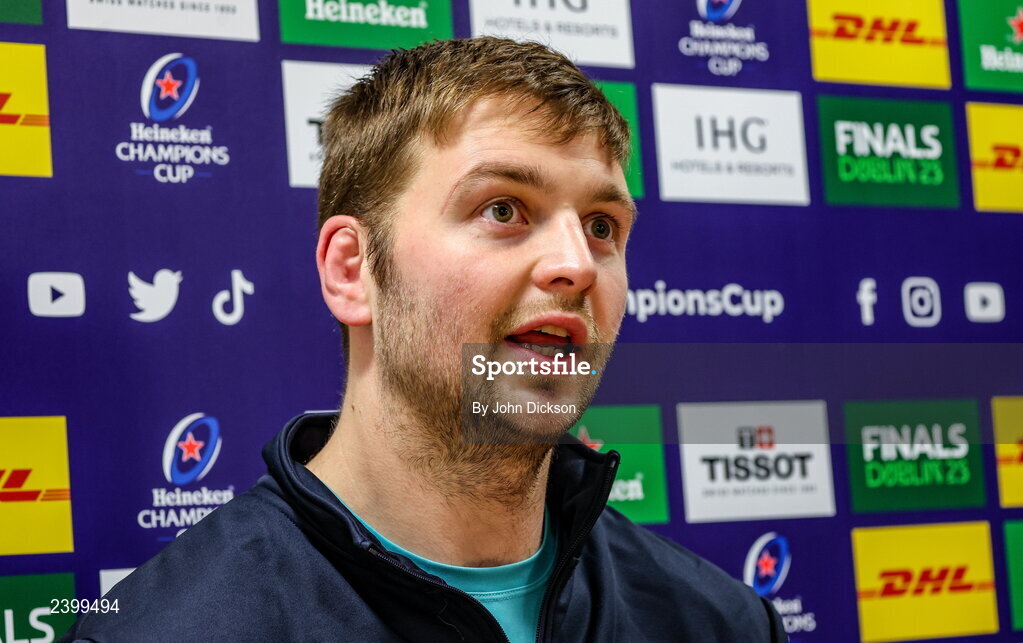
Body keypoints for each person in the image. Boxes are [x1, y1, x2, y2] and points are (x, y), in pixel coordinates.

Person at [62, 37, 787, 642]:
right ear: (353, 270)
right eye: (503, 207)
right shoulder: (170, 629)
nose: (574, 264)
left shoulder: (717, 620)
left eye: (602, 225)